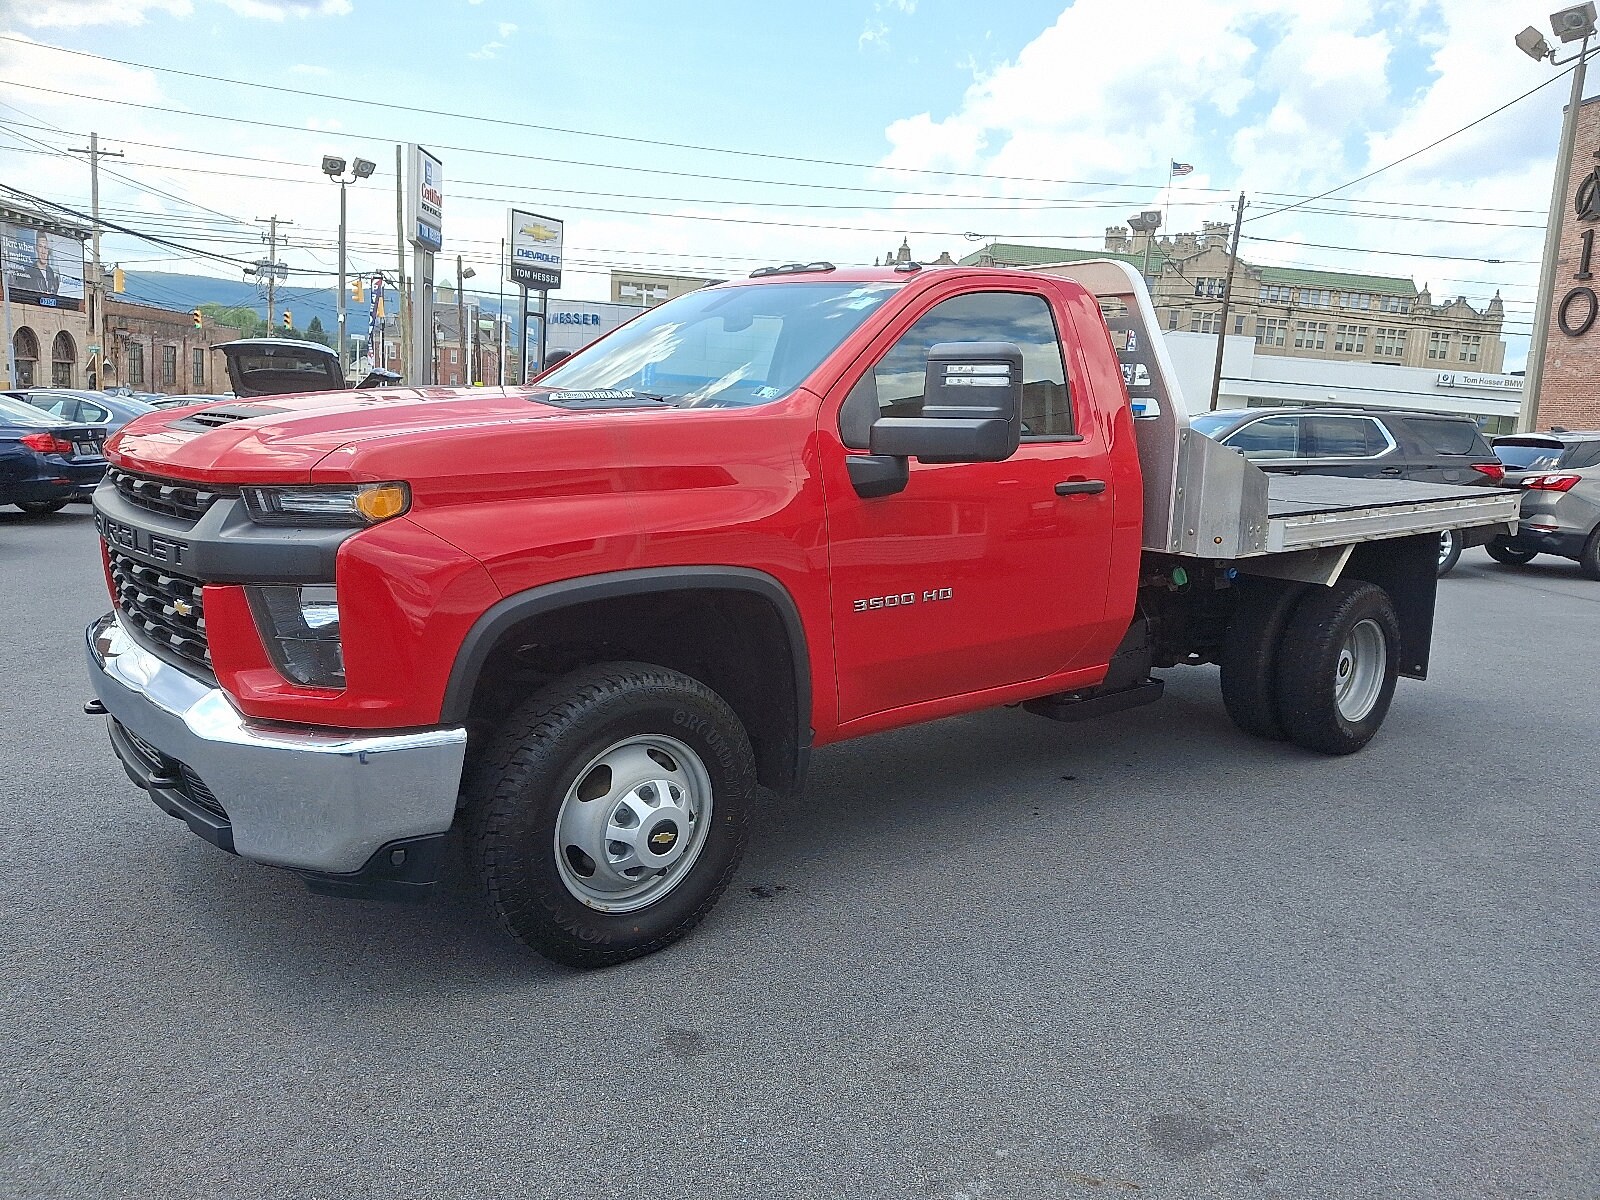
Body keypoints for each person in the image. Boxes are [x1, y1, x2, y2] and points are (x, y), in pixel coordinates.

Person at [12, 232, 59, 297]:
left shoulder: (50, 272)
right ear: (36, 248)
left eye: (45, 247)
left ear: (48, 250)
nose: (43, 251)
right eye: (40, 246)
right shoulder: (30, 272)